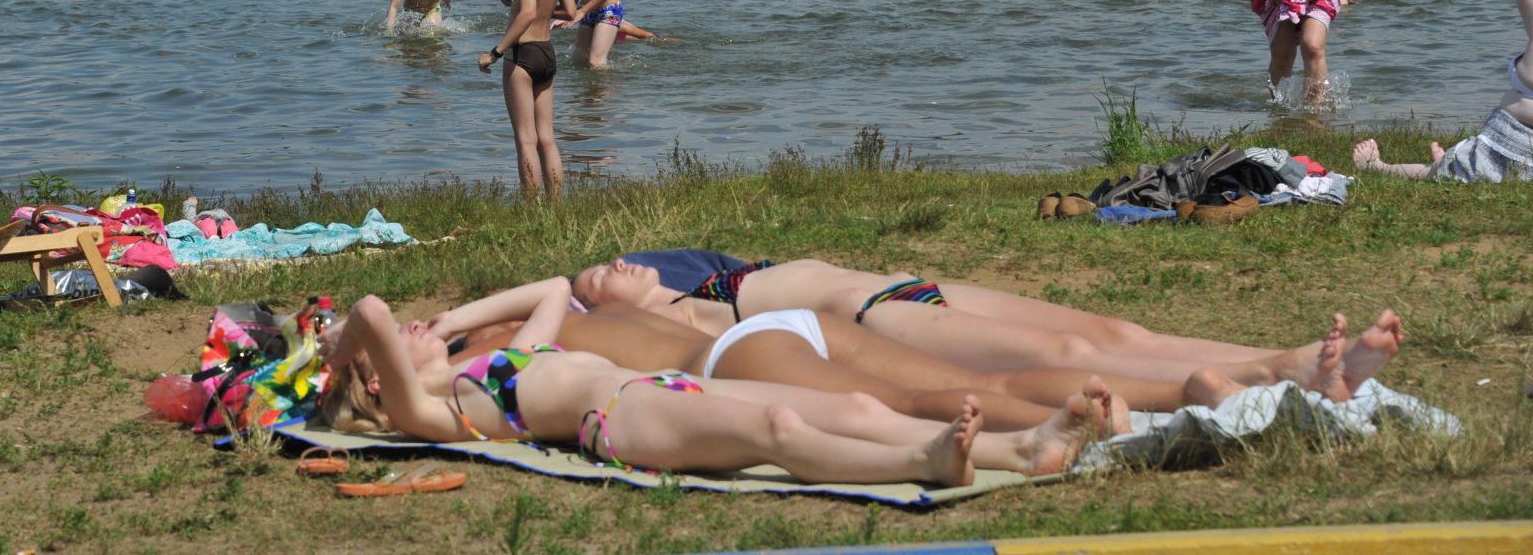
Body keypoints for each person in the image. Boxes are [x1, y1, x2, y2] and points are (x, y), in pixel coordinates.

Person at [321, 284, 989, 488]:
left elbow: (554, 291)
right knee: (779, 429)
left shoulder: (496, 365)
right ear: (377, 379)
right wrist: (337, 344)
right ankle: (921, 461)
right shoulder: (430, 409)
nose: (412, 323)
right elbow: (373, 310)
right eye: (404, 336)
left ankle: (1019, 450)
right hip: (617, 417)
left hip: (659, 386)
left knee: (855, 404)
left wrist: (455, 317)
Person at [570, 255, 1399, 407]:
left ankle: (1295, 359)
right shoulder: (685, 316)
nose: (620, 264)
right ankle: (1287, 371)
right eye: (602, 273)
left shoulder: (695, 270)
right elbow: (541, 302)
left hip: (908, 286)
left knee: (1116, 324)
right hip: (878, 320)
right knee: (1074, 355)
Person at [448, 277, 1218, 435]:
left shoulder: (505, 357)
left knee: (920, 404)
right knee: (979, 380)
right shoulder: (558, 318)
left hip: (738, 357)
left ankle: (1103, 425)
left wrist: (446, 325)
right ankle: (1179, 393)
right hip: (783, 323)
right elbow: (543, 287)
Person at [1355, 0, 1533, 181]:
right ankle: (1451, 161)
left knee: (1438, 172)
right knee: (1456, 167)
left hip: (1511, 145)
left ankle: (1380, 167)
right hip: (1503, 141)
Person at [479, 0, 567, 199]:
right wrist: (519, 1)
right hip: (547, 52)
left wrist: (496, 51)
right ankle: (556, 204)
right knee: (547, 139)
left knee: (526, 140)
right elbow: (568, 9)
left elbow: (527, 13)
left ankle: (530, 207)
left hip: (522, 55)